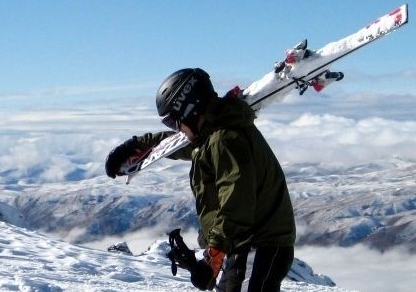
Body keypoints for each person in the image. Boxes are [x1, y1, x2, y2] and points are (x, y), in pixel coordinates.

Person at [105, 68, 296, 292]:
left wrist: (215, 253)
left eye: (173, 121)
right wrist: (136, 146)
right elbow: (180, 145)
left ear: (190, 111)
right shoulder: (214, 134)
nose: (177, 128)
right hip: (247, 242)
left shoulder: (226, 140)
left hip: (261, 244)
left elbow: (237, 201)